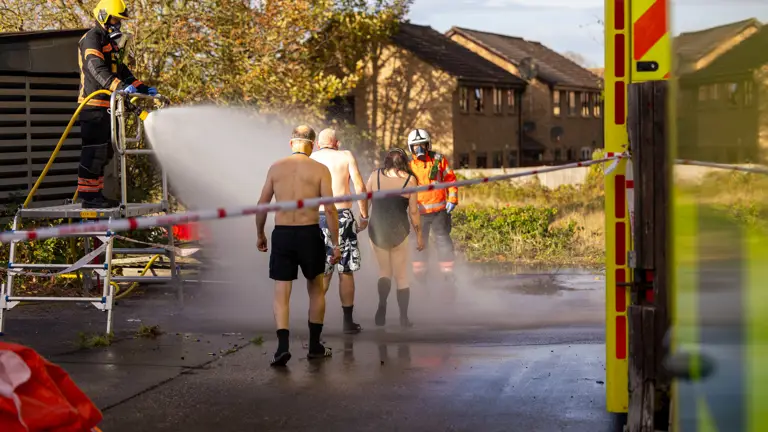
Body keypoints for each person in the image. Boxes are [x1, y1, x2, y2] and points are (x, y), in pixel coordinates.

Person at [256, 125, 340, 367]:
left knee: (282, 292)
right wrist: (335, 243)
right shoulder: (320, 169)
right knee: (316, 288)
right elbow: (331, 208)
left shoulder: (276, 167)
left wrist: (260, 233)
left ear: (291, 143)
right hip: (309, 232)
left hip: (282, 234)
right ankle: (315, 346)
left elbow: (262, 204)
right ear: (312, 145)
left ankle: (282, 348)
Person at [77, 0, 157, 208]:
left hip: (110, 106)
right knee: (94, 150)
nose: (118, 24)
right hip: (93, 104)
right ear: (103, 15)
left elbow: (121, 71)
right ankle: (88, 197)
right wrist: (119, 86)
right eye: (115, 19)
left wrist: (141, 87)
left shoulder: (111, 43)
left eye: (119, 20)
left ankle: (96, 194)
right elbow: (96, 68)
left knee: (107, 151)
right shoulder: (92, 38)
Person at [310, 128, 369, 334]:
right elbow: (360, 187)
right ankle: (347, 322)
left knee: (322, 271)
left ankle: (315, 324)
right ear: (337, 143)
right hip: (343, 216)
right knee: (346, 270)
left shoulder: (311, 157)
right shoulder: (345, 156)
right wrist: (364, 216)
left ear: (318, 144)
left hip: (316, 218)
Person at [366, 148, 424, 328]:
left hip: (377, 230)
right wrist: (419, 236)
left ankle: (382, 305)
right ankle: (404, 318)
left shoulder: (374, 176)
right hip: (400, 231)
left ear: (386, 161)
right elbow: (414, 212)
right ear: (404, 162)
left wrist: (362, 219)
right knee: (401, 276)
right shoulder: (410, 180)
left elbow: (365, 200)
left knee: (384, 272)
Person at [406, 129, 459, 289]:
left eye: (422, 145)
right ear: (410, 147)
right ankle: (420, 279)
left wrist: (453, 199)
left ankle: (448, 276)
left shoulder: (438, 160)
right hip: (418, 213)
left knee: (443, 241)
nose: (419, 149)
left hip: (439, 211)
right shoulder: (407, 165)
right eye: (415, 146)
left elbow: (451, 179)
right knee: (419, 244)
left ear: (428, 145)